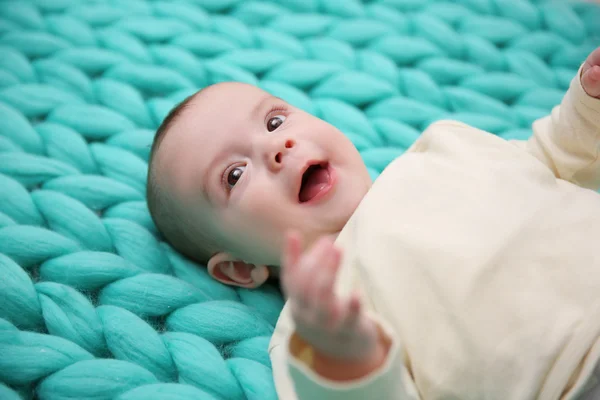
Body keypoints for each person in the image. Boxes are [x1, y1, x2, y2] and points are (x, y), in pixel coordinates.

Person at [146, 47, 600, 399]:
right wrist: (350, 363)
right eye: (235, 175)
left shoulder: (439, 148)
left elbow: (550, 161)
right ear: (240, 269)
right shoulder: (313, 335)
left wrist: (586, 109)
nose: (276, 147)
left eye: (274, 119)